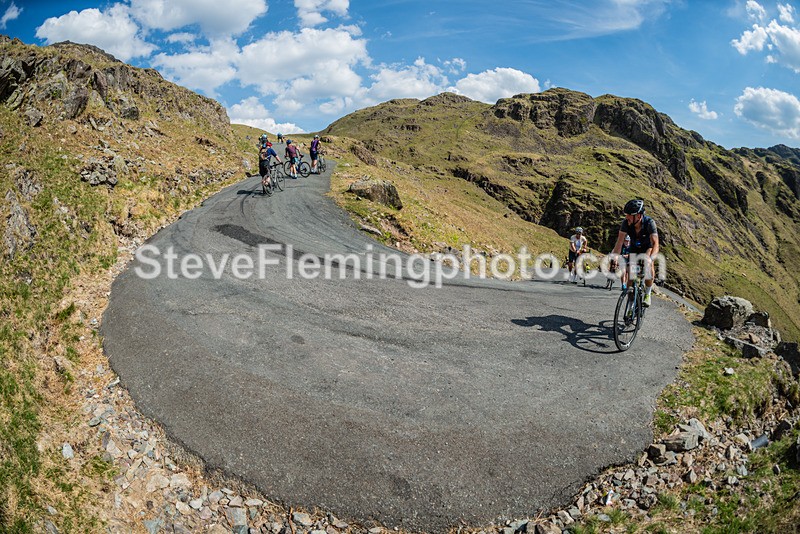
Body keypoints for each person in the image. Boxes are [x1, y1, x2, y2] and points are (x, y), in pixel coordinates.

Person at [610, 199, 659, 307]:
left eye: (629, 215)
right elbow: (619, 242)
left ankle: (647, 292)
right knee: (631, 278)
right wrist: (616, 258)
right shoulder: (625, 223)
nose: (626, 217)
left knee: (648, 264)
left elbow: (656, 244)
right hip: (634, 248)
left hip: (647, 247)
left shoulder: (649, 223)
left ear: (638, 215)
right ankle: (630, 302)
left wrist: (651, 259)